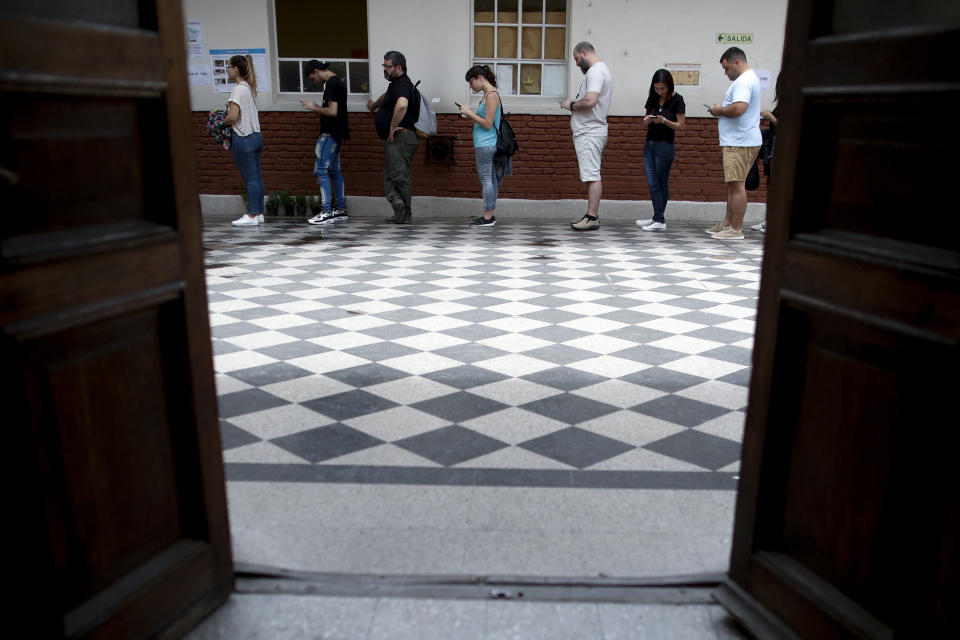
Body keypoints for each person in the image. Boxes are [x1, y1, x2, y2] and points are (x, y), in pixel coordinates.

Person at [706, 47, 762, 240]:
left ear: (736, 62)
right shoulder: (748, 79)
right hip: (739, 140)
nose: (725, 73)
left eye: (726, 68)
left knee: (737, 185)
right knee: (732, 184)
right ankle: (728, 223)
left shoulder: (744, 81)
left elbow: (739, 108)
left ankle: (735, 229)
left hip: (740, 141)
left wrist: (719, 110)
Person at [560, 42, 613, 231]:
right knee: (590, 174)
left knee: (592, 174)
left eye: (576, 58)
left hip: (590, 132)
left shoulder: (595, 72)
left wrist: (571, 105)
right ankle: (590, 214)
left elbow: (590, 100)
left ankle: (592, 216)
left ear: (584, 52)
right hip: (590, 131)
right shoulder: (600, 70)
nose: (576, 63)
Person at [367, 51, 420, 224]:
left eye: (387, 66)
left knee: (400, 176)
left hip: (401, 137)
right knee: (389, 175)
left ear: (398, 67)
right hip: (397, 139)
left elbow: (402, 104)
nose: (384, 70)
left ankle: (406, 215)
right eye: (384, 66)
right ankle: (399, 208)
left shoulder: (402, 85)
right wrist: (375, 105)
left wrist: (391, 126)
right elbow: (387, 97)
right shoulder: (395, 85)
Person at [635, 69, 686, 232]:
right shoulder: (653, 98)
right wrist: (646, 121)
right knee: (652, 183)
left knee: (659, 183)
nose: (659, 91)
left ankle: (659, 219)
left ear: (669, 86)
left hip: (665, 146)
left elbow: (681, 126)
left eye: (662, 88)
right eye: (656, 88)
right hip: (649, 144)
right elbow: (646, 118)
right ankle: (657, 217)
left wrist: (664, 121)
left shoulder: (678, 100)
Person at [300, 60, 349, 225]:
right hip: (337, 134)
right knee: (335, 171)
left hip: (329, 134)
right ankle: (340, 209)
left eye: (313, 77)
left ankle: (326, 211)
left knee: (321, 170)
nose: (314, 81)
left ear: (316, 71)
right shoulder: (339, 82)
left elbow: (332, 111)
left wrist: (314, 107)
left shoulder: (331, 84)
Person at [455, 65, 502, 227]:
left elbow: (488, 124)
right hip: (486, 143)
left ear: (480, 78)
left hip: (486, 144)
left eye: (471, 82)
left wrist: (469, 113)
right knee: (491, 179)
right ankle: (490, 214)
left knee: (486, 179)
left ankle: (488, 216)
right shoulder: (488, 95)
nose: (470, 86)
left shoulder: (491, 96)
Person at [223, 54, 265, 227]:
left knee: (251, 179)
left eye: (229, 67)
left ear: (236, 69)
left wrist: (220, 122)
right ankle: (259, 212)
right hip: (256, 136)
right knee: (257, 178)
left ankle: (253, 214)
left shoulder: (238, 89)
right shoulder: (248, 87)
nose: (227, 70)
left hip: (243, 137)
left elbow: (233, 116)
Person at [752, 72, 781, 234]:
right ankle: (768, 220)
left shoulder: (791, 103)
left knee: (775, 186)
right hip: (772, 147)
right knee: (771, 185)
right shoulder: (784, 102)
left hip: (778, 148)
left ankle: (772, 221)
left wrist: (769, 115)